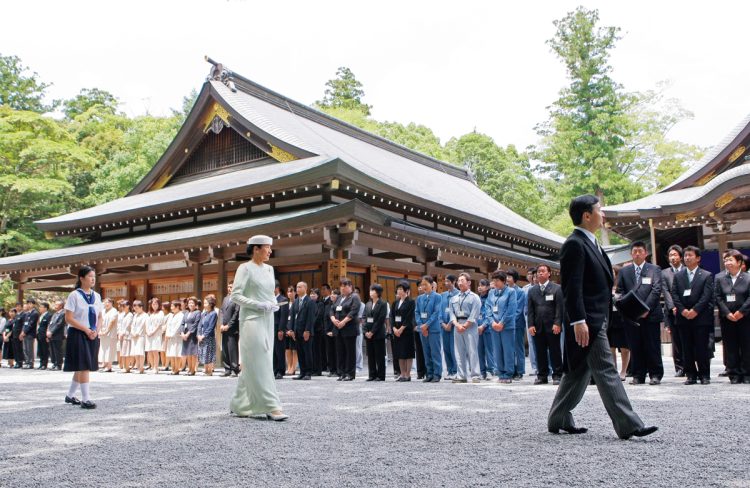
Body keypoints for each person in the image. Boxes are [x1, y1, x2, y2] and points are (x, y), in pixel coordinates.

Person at [547, 194, 656, 439]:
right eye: (599, 210)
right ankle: (629, 424)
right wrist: (578, 320)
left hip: (598, 316)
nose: (603, 214)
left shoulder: (591, 242)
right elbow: (571, 287)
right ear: (587, 215)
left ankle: (558, 417)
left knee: (578, 371)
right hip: (588, 320)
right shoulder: (574, 244)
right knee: (606, 368)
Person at [228, 235, 287, 421]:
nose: (270, 251)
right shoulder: (244, 268)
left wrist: (272, 304)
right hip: (251, 320)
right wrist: (258, 304)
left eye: (271, 248)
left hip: (268, 319)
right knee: (260, 360)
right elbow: (235, 296)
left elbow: (269, 294)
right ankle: (271, 406)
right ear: (255, 248)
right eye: (267, 247)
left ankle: (239, 403)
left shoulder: (270, 269)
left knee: (258, 361)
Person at [616, 241, 664, 385]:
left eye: (640, 251)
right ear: (631, 254)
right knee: (635, 345)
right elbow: (620, 292)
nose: (637, 253)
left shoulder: (654, 269)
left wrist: (645, 309)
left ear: (645, 253)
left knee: (652, 345)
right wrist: (631, 308)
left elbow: (656, 290)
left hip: (650, 314)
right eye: (634, 251)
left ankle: (655, 374)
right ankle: (638, 375)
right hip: (632, 316)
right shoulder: (625, 271)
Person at [671, 246, 715, 385]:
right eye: (685, 255)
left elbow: (706, 295)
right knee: (686, 347)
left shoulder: (706, 275)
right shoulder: (678, 276)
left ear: (698, 258)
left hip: (700, 317)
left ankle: (704, 375)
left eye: (690, 255)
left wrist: (695, 310)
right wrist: (683, 310)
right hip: (683, 317)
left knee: (701, 347)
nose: (687, 258)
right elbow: (675, 294)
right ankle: (690, 374)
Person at [63, 265, 103, 410]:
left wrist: (96, 331)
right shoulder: (74, 295)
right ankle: (86, 399)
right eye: (90, 276)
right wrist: (86, 329)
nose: (93, 279)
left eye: (94, 276)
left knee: (82, 365)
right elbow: (69, 318)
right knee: (84, 365)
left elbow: (100, 317)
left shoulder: (97, 296)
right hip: (78, 333)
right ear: (81, 278)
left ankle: (70, 394)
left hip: (92, 334)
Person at [714, 249, 750, 384]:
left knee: (746, 346)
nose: (727, 262)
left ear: (739, 262)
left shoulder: (747, 278)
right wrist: (727, 313)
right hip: (727, 318)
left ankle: (747, 373)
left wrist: (741, 312)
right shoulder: (720, 278)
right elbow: (717, 297)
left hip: (745, 318)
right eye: (726, 260)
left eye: (730, 260)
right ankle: (733, 373)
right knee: (731, 347)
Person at [527, 264, 564, 385]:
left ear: (549, 273)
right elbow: (530, 310)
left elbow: (559, 307)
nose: (540, 273)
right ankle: (542, 375)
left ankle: (557, 374)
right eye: (538, 272)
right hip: (538, 326)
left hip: (552, 325)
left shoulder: (556, 288)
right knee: (540, 351)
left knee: (555, 350)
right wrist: (530, 325)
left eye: (543, 271)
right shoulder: (532, 290)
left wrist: (558, 323)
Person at [449, 273, 482, 383]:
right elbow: (451, 313)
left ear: (469, 282)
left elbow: (475, 313)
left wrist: (466, 325)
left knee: (472, 350)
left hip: (470, 326)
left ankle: (475, 375)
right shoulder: (453, 298)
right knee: (458, 352)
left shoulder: (474, 297)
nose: (459, 283)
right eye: (458, 281)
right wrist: (456, 324)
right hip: (457, 325)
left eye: (462, 280)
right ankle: (461, 376)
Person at [486, 270, 517, 384]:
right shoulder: (491, 293)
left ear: (504, 281)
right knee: (497, 350)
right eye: (494, 280)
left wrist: (502, 323)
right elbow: (488, 308)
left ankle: (508, 373)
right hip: (494, 326)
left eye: (497, 280)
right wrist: (492, 322)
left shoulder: (511, 292)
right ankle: (500, 373)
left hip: (507, 326)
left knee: (508, 350)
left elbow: (511, 309)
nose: (495, 283)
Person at [331, 278, 362, 381]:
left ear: (351, 287)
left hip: (349, 329)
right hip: (338, 329)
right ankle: (342, 373)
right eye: (341, 286)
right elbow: (332, 309)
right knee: (340, 352)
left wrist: (343, 322)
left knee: (350, 352)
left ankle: (350, 373)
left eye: (345, 286)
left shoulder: (354, 297)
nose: (343, 288)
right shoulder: (339, 298)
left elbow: (353, 311)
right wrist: (333, 319)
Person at [662, 245, 685, 377]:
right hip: (672, 312)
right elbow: (665, 292)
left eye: (675, 254)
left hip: (686, 310)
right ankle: (679, 367)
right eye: (671, 255)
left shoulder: (687, 270)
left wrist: (683, 307)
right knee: (676, 340)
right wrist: (673, 307)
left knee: (687, 338)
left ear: (680, 257)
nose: (673, 257)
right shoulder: (665, 273)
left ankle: (689, 364)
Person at [415, 276, 443, 382]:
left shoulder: (437, 297)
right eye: (422, 285)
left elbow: (436, 313)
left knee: (435, 352)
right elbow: (417, 312)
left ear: (431, 285)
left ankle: (437, 374)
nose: (423, 287)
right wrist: (421, 325)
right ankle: (429, 373)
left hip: (433, 328)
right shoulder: (420, 298)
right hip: (423, 329)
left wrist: (426, 325)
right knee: (426, 352)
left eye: (425, 284)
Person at [290, 281, 316, 380]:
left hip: (306, 332)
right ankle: (302, 372)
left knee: (307, 352)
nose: (297, 289)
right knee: (300, 352)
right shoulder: (296, 301)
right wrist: (291, 330)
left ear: (305, 288)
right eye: (297, 287)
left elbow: (310, 318)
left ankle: (308, 372)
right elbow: (292, 316)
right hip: (297, 332)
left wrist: (307, 330)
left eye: (300, 287)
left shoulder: (310, 301)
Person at [390, 281, 415, 381]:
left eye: (401, 289)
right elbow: (391, 316)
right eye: (398, 289)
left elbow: (409, 317)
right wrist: (394, 328)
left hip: (406, 331)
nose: (399, 291)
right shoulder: (395, 302)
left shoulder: (411, 302)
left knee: (408, 353)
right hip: (397, 331)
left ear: (407, 291)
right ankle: (402, 373)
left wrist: (401, 328)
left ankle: (408, 374)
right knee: (399, 353)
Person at [608, 266, 630, 381]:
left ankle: (624, 371)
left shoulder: (622, 284)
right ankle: (614, 370)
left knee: (625, 347)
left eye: (613, 272)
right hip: (610, 318)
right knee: (611, 347)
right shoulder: (605, 285)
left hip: (622, 318)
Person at [506, 270, 528, 380]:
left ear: (514, 278)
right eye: (506, 276)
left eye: (509, 276)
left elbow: (518, 310)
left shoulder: (520, 292)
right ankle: (511, 369)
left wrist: (509, 321)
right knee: (509, 348)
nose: (507, 278)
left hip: (517, 323)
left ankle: (520, 371)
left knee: (518, 347)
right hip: (506, 324)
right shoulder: (505, 291)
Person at [363, 284, 388, 381]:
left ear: (378, 293)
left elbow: (380, 320)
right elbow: (364, 318)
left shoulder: (383, 304)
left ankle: (380, 375)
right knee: (371, 355)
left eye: (372, 291)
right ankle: (372, 375)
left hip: (378, 333)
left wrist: (372, 332)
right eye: (370, 290)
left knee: (379, 355)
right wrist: (365, 331)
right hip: (368, 333)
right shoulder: (368, 304)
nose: (370, 292)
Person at [440, 275, 459, 380]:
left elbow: (458, 311)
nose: (446, 283)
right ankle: (449, 370)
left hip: (454, 326)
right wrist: (442, 323)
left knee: (453, 349)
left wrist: (451, 323)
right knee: (446, 349)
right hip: (444, 327)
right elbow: (439, 311)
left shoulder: (458, 294)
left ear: (453, 282)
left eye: (448, 281)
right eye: (445, 281)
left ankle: (455, 371)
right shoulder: (442, 295)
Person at [476, 279, 495, 380]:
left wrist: (483, 326)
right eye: (479, 285)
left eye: (482, 285)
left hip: (487, 329)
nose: (479, 287)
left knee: (489, 351)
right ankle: (482, 372)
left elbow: (490, 315)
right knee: (480, 351)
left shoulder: (490, 299)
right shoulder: (477, 299)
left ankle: (491, 371)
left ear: (488, 287)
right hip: (478, 329)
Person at [221, 284, 241, 377]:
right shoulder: (225, 299)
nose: (229, 288)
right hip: (224, 328)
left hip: (232, 328)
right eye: (228, 287)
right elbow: (222, 312)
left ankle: (234, 369)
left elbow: (236, 313)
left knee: (232, 349)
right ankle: (227, 369)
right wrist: (221, 324)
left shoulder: (237, 298)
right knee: (225, 349)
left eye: (232, 287)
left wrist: (229, 325)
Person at [180, 297, 201, 376]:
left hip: (192, 335)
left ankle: (193, 370)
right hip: (185, 335)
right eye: (189, 303)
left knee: (193, 353)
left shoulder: (197, 312)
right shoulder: (186, 313)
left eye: (192, 303)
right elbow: (182, 323)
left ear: (195, 304)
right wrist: (182, 333)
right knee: (187, 353)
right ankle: (189, 369)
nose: (191, 304)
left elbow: (195, 324)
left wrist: (188, 333)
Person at [198, 295, 218, 376]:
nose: (204, 304)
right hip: (201, 336)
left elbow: (211, 327)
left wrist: (204, 335)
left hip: (209, 337)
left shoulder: (213, 314)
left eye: (206, 303)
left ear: (210, 304)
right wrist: (199, 335)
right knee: (203, 353)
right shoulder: (204, 314)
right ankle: (205, 369)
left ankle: (209, 370)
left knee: (209, 353)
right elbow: (199, 325)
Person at [272, 282, 288, 379]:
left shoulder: (283, 299)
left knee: (279, 350)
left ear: (277, 288)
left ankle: (280, 370)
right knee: (273, 351)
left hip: (278, 328)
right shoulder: (270, 299)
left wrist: (281, 330)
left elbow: (284, 316)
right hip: (271, 329)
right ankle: (274, 370)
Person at [98, 298, 118, 372]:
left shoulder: (114, 311)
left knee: (110, 349)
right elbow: (100, 321)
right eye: (105, 302)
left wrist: (107, 331)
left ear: (111, 303)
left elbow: (112, 322)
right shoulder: (103, 311)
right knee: (103, 348)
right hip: (102, 332)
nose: (106, 304)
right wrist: (100, 330)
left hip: (110, 333)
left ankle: (109, 366)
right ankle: (105, 364)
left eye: (108, 302)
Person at [165, 300, 185, 375]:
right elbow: (168, 326)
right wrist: (167, 335)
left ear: (177, 307)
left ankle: (177, 369)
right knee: (171, 353)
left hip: (176, 337)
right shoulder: (171, 315)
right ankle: (173, 368)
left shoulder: (181, 315)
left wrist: (171, 334)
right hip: (170, 337)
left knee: (177, 353)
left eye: (172, 306)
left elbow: (178, 326)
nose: (171, 308)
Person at [145, 298, 164, 374]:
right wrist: (147, 332)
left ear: (159, 305)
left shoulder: (161, 313)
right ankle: (152, 366)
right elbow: (146, 324)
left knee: (155, 351)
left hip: (156, 334)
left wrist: (153, 331)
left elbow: (159, 324)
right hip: (149, 334)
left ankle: (156, 367)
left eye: (156, 304)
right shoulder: (150, 313)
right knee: (149, 351)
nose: (154, 305)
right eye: (153, 304)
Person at [19, 298, 40, 369]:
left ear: (33, 304)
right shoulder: (27, 313)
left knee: (29, 348)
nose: (29, 305)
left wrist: (25, 332)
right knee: (25, 348)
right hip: (25, 333)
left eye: (31, 303)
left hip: (30, 333)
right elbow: (24, 324)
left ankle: (31, 363)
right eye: (28, 303)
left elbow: (31, 324)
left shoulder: (35, 313)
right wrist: (22, 332)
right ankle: (27, 361)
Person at [311, 287, 327, 376]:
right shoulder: (309, 303)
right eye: (311, 294)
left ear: (318, 296)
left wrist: (311, 324)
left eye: (314, 294)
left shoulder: (320, 304)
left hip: (317, 329)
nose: (312, 295)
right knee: (312, 349)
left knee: (317, 350)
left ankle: (318, 370)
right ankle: (313, 369)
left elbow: (319, 316)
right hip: (311, 330)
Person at [324, 288, 339, 377]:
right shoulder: (327, 306)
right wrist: (326, 331)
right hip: (327, 332)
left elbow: (337, 320)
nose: (332, 295)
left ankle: (337, 370)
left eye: (335, 294)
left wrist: (333, 331)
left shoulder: (339, 305)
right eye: (332, 294)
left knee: (336, 351)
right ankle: (332, 370)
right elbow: (325, 319)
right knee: (329, 352)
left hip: (336, 331)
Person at [47, 301, 66, 370]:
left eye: (56, 305)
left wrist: (51, 332)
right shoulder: (55, 314)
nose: (55, 306)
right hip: (51, 335)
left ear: (61, 306)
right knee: (52, 350)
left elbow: (59, 324)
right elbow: (50, 323)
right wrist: (48, 331)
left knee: (57, 350)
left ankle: (58, 364)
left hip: (58, 335)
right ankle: (54, 363)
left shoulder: (63, 313)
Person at [283, 286, 298, 376]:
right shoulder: (286, 304)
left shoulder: (297, 303)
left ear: (295, 293)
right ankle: (289, 367)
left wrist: (293, 330)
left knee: (294, 349)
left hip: (294, 330)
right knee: (287, 349)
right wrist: (286, 330)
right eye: (288, 292)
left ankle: (293, 367)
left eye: (291, 292)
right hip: (286, 329)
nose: (290, 293)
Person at [130, 300, 147, 374]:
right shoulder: (135, 315)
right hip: (134, 336)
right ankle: (138, 366)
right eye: (134, 307)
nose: (135, 309)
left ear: (141, 307)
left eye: (137, 307)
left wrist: (137, 333)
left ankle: (141, 367)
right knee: (135, 352)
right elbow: (132, 325)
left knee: (140, 352)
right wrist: (133, 332)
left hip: (141, 335)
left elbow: (143, 325)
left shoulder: (145, 315)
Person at [117, 301, 133, 373]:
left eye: (124, 306)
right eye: (122, 306)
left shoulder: (130, 315)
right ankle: (124, 366)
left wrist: (122, 333)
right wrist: (119, 333)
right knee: (122, 352)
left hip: (127, 335)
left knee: (127, 352)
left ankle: (127, 367)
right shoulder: (122, 315)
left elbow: (127, 325)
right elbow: (120, 325)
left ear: (128, 306)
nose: (122, 308)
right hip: (121, 335)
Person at [36, 302, 52, 370]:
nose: (40, 308)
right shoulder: (41, 315)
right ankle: (41, 363)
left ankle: (44, 364)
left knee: (45, 350)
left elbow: (49, 325)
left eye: (41, 307)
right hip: (39, 334)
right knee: (40, 350)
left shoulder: (49, 315)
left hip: (44, 335)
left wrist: (47, 335)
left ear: (45, 308)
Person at [11, 302, 25, 368]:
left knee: (19, 348)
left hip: (19, 334)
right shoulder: (16, 315)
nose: (17, 307)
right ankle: (17, 361)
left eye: (19, 306)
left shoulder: (23, 314)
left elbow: (23, 325)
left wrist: (22, 333)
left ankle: (20, 362)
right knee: (15, 349)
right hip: (14, 334)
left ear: (21, 307)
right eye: (16, 306)